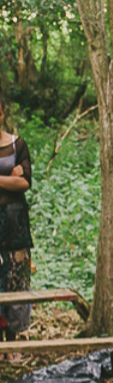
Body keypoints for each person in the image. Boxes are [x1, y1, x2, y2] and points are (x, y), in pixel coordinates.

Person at [0, 99, 33, 338]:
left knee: (17, 277)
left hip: (15, 222)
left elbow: (24, 182)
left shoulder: (17, 144)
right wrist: (7, 177)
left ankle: (15, 339)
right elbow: (14, 180)